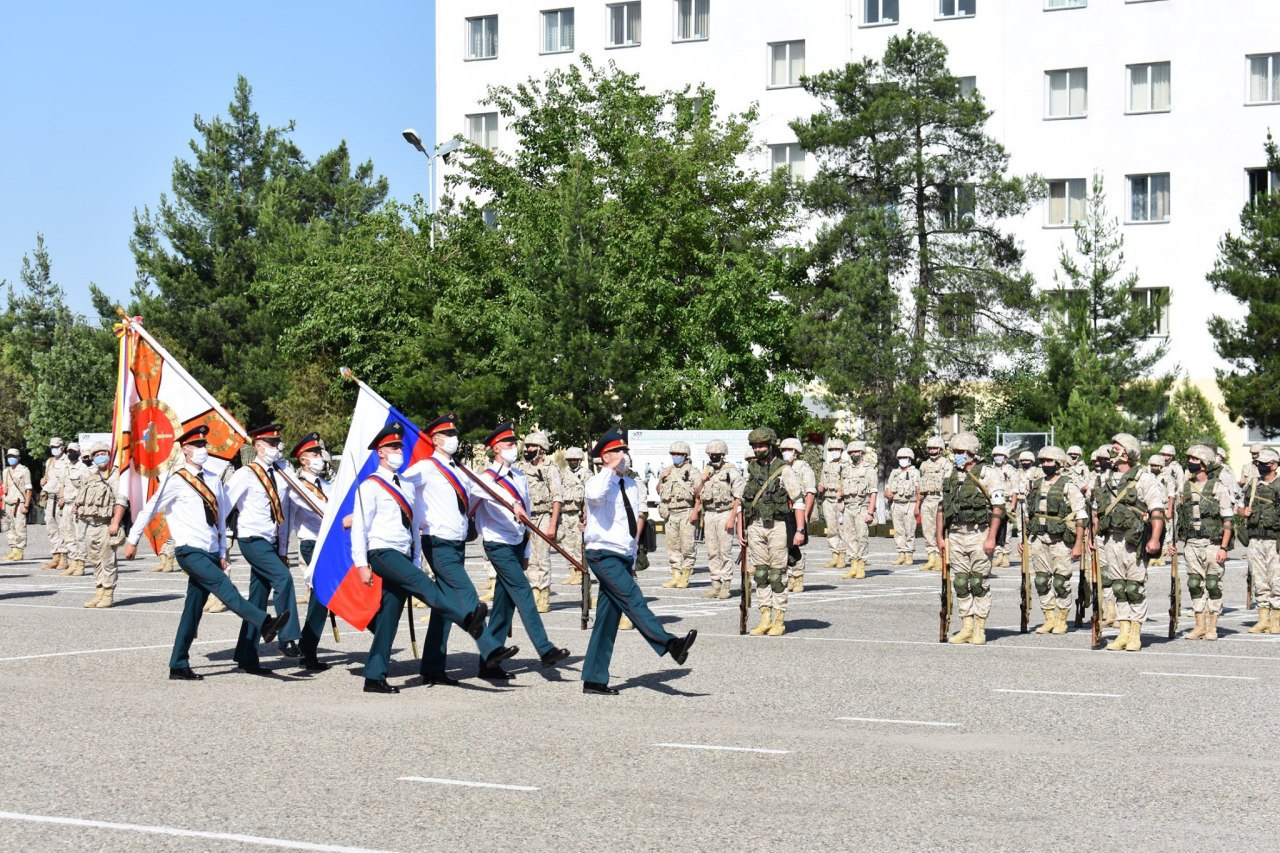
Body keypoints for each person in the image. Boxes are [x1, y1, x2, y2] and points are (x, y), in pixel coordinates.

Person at [123, 425, 290, 680]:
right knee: (225, 587)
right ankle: (265, 622)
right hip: (189, 550)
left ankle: (178, 663)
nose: (203, 449)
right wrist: (132, 539)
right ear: (185, 450)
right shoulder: (175, 480)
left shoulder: (213, 478)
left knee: (193, 609)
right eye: (197, 445)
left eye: (204, 445)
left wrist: (222, 551)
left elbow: (220, 520)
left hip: (211, 550)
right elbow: (150, 509)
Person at [350, 421, 490, 694]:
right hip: (381, 552)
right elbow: (360, 528)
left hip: (403, 553)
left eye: (399, 447)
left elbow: (414, 526)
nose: (398, 451)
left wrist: (415, 559)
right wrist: (361, 564)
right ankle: (466, 619)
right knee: (428, 588)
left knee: (389, 615)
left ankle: (374, 676)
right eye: (392, 447)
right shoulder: (370, 485)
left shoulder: (405, 484)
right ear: (380, 452)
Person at [403, 412, 523, 684]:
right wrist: (414, 519)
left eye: (455, 434)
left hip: (457, 544)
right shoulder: (425, 468)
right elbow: (398, 485)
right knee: (468, 597)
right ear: (435, 440)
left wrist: (512, 503)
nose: (454, 438)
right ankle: (491, 649)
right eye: (448, 434)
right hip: (437, 542)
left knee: (444, 608)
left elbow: (485, 489)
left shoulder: (459, 469)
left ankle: (432, 667)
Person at [580, 427, 696, 694]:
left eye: (625, 451)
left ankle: (594, 678)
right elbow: (595, 496)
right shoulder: (597, 482)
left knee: (607, 618)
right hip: (602, 553)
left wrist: (632, 559)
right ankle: (669, 644)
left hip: (622, 554)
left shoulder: (632, 485)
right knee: (633, 598)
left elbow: (631, 525)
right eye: (618, 451)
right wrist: (609, 468)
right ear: (605, 456)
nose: (625, 456)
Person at [474, 422, 570, 678]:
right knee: (523, 590)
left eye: (513, 443)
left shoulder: (518, 476)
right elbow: (476, 503)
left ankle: (488, 662)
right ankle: (545, 648)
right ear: (495, 448)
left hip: (517, 544)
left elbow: (525, 516)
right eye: (508, 443)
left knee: (504, 604)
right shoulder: (484, 479)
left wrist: (526, 552)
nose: (513, 447)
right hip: (497, 544)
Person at [227, 425, 304, 674]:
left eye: (277, 443)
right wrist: (219, 545)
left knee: (258, 599)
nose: (276, 448)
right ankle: (287, 637)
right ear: (258, 447)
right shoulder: (245, 474)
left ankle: (247, 655)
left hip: (271, 541)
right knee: (283, 579)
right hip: (251, 538)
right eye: (271, 444)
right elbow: (224, 506)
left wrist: (282, 550)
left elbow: (286, 511)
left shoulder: (282, 472)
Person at [1096, 433, 1167, 652]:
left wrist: (1155, 539)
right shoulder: (1105, 478)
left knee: (1133, 588)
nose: (1112, 451)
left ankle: (1135, 634)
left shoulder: (1144, 479)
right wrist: (1092, 537)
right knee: (1118, 587)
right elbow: (1097, 511)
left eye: (1116, 448)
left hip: (1134, 541)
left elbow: (1157, 511)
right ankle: (1123, 632)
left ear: (1127, 453)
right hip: (1111, 539)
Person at [938, 432, 1006, 645]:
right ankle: (966, 626)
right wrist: (940, 537)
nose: (957, 455)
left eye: (961, 452)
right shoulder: (950, 474)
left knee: (978, 581)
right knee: (960, 582)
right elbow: (942, 507)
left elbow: (998, 508)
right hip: (955, 534)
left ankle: (979, 628)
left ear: (972, 452)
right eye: (955, 452)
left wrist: (991, 538)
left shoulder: (988, 473)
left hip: (980, 533)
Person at [739, 427, 805, 637]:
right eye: (755, 446)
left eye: (762, 445)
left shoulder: (784, 470)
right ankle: (764, 618)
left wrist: (800, 530)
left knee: (776, 575)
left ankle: (779, 619)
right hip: (755, 526)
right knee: (760, 573)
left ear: (770, 446)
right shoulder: (750, 470)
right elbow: (741, 502)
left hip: (777, 526)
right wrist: (741, 530)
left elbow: (798, 500)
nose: (758, 449)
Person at [1172, 445, 1235, 641]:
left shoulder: (1218, 487)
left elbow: (1228, 520)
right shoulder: (1185, 488)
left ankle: (1212, 626)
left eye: (1194, 459)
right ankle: (1199, 625)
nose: (1190, 462)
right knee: (1194, 583)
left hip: (1212, 544)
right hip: (1191, 543)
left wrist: (1224, 547)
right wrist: (1173, 541)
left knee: (1213, 584)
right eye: (1189, 459)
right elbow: (1178, 517)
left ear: (1204, 463)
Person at [1023, 446, 1087, 634]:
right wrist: (1023, 541)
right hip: (1038, 539)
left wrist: (1078, 545)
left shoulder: (1068, 485)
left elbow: (1081, 517)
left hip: (1060, 541)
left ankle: (1062, 619)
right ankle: (1049, 618)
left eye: (1049, 461)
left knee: (1060, 582)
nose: (1045, 464)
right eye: (1043, 461)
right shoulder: (1036, 485)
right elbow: (1027, 515)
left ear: (1058, 464)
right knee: (1041, 580)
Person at [288, 431, 334, 671]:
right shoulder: (297, 486)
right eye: (314, 453)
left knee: (324, 597)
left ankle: (307, 650)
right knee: (322, 595)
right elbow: (288, 520)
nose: (319, 457)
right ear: (303, 459)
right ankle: (307, 650)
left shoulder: (326, 485)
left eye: (319, 452)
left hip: (330, 544)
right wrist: (281, 549)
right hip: (311, 543)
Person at [689, 438, 742, 600]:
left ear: (723, 454)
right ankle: (715, 584)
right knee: (712, 551)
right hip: (710, 513)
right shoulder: (707, 471)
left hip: (725, 512)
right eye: (711, 454)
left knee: (724, 551)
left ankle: (726, 585)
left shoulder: (732, 472)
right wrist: (703, 480)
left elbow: (738, 497)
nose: (713, 457)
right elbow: (697, 493)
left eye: (717, 454)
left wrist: (732, 518)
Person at [517, 432, 562, 613]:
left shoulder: (551, 469)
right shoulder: (521, 468)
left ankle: (544, 593)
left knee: (542, 557)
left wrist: (552, 524)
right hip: (526, 517)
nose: (527, 449)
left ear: (542, 449)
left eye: (531, 446)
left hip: (543, 516)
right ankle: (534, 589)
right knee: (530, 557)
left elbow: (557, 498)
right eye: (527, 446)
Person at [79, 443, 127, 608]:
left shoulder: (114, 476)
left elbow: (121, 501)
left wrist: (115, 523)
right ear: (92, 458)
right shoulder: (91, 475)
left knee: (107, 561)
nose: (101, 457)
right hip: (91, 524)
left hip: (106, 524)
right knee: (94, 560)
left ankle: (108, 594)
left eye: (103, 453)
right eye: (97, 454)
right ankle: (99, 591)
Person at [1240, 447, 1280, 634]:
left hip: (1275, 540)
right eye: (1259, 463)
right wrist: (1243, 512)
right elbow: (1237, 506)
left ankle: (1276, 620)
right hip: (1255, 539)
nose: (1260, 466)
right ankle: (1263, 619)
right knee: (1259, 580)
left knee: (1276, 580)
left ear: (1274, 465)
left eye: (1264, 464)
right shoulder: (1253, 484)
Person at [657, 440, 699, 589]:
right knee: (672, 545)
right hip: (670, 513)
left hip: (685, 511)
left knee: (687, 545)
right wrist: (662, 478)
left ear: (685, 455)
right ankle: (675, 575)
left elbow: (699, 494)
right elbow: (659, 490)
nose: (676, 456)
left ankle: (685, 575)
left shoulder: (693, 472)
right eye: (673, 454)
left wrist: (695, 511)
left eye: (679, 454)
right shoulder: (667, 471)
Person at [781, 437, 817, 591]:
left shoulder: (803, 468)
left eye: (788, 450)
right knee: (785, 545)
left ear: (796, 452)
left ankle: (798, 578)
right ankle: (790, 577)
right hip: (785, 511)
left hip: (799, 510)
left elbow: (810, 493)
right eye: (783, 450)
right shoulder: (781, 468)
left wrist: (805, 515)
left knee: (798, 546)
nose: (785, 452)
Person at [839, 441, 876, 580]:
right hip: (848, 507)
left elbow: (873, 492)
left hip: (862, 507)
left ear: (861, 453)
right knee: (849, 537)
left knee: (862, 537)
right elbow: (841, 487)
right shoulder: (846, 469)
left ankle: (861, 565)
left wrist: (870, 512)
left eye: (855, 452)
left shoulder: (869, 470)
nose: (853, 454)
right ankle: (853, 565)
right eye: (851, 452)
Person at [556, 446, 587, 588]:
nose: (572, 462)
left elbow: (588, 497)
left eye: (575, 459)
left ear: (580, 460)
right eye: (570, 460)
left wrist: (586, 515)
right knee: (567, 545)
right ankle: (572, 572)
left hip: (578, 514)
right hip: (565, 515)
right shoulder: (564, 474)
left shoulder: (586, 474)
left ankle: (580, 572)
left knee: (578, 545)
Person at [885, 448, 921, 566]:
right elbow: (888, 488)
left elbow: (918, 490)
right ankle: (901, 554)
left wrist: (917, 506)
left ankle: (909, 555)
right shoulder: (894, 472)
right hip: (896, 504)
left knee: (909, 530)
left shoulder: (915, 472)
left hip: (910, 504)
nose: (902, 460)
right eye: (900, 458)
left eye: (904, 458)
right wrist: (887, 494)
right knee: (898, 531)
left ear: (910, 459)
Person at [57, 442, 88, 576]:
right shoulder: (66, 468)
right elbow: (62, 485)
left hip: (77, 506)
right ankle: (73, 561)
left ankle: (81, 563)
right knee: (68, 534)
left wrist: (79, 504)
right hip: (66, 505)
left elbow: (85, 489)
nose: (71, 454)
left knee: (79, 536)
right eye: (69, 451)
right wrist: (60, 497)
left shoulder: (83, 468)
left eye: (74, 451)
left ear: (79, 453)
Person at [917, 437, 948, 571]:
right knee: (927, 530)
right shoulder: (924, 465)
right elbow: (919, 485)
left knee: (939, 530)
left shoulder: (946, 464)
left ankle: (941, 558)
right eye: (930, 448)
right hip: (927, 498)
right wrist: (918, 503)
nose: (932, 451)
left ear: (941, 449)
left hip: (940, 499)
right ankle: (931, 557)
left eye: (935, 448)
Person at [818, 438, 849, 571]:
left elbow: (850, 483)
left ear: (841, 450)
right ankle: (834, 555)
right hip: (828, 499)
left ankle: (842, 555)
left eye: (837, 449)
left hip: (840, 501)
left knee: (842, 529)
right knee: (831, 529)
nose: (834, 452)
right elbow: (822, 481)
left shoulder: (847, 465)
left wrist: (843, 492)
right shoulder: (827, 466)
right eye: (832, 450)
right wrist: (820, 486)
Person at [39, 437, 69, 571]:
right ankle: (55, 556)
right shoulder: (50, 461)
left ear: (62, 447)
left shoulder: (67, 460)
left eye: (56, 447)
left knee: (63, 528)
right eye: (52, 447)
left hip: (61, 498)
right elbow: (48, 477)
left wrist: (64, 496)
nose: (53, 449)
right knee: (51, 528)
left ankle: (64, 557)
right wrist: (44, 480)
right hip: (50, 498)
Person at [987, 445, 1017, 568]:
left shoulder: (1011, 470)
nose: (997, 457)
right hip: (994, 503)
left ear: (1005, 457)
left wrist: (1013, 505)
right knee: (996, 529)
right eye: (995, 455)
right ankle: (998, 555)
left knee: (1007, 530)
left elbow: (1015, 489)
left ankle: (1005, 555)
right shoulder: (990, 470)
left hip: (1007, 502)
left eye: (1000, 455)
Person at [3, 448, 32, 561]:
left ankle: (20, 550)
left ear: (18, 458)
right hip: (8, 502)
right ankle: (13, 549)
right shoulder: (6, 471)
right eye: (9, 456)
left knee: (20, 527)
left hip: (19, 503)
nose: (11, 458)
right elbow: (4, 487)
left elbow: (28, 489)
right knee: (9, 527)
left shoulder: (24, 470)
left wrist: (26, 505)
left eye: (13, 456)